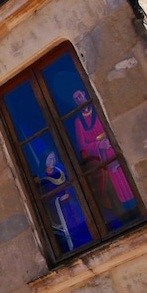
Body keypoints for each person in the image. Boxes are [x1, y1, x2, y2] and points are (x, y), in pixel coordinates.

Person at [72, 90, 136, 226]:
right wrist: (98, 145)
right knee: (112, 193)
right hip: (100, 162)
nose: (79, 99)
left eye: (80, 96)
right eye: (76, 99)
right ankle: (127, 218)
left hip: (113, 154)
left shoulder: (97, 109)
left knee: (128, 183)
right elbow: (82, 145)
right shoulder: (78, 121)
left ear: (85, 95)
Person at [39, 150, 91, 251]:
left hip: (72, 202)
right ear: (44, 161)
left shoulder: (61, 169)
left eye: (54, 158)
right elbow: (48, 201)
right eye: (50, 159)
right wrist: (60, 199)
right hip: (61, 209)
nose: (52, 161)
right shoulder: (44, 181)